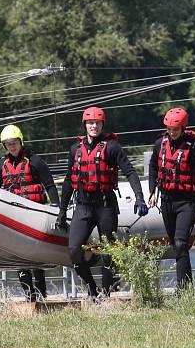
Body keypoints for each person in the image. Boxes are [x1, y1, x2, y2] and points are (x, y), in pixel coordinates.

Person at [58, 107, 149, 298]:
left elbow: (130, 172)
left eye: (97, 123)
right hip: (82, 206)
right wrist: (61, 211)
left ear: (102, 125)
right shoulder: (75, 149)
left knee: (109, 251)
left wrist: (139, 198)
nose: (94, 126)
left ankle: (106, 294)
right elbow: (68, 180)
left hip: (105, 205)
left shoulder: (112, 147)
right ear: (85, 125)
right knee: (74, 250)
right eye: (90, 123)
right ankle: (92, 288)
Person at [148, 107, 195, 289]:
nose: (172, 133)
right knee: (176, 246)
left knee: (181, 242)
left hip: (188, 202)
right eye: (169, 129)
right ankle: (187, 287)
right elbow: (153, 166)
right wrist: (152, 191)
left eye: (175, 129)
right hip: (167, 200)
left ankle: (183, 289)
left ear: (183, 127)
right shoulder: (160, 143)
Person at [0, 124, 60, 302]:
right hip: (14, 217)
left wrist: (56, 208)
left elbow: (50, 186)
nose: (12, 146)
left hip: (35, 214)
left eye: (14, 142)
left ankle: (42, 296)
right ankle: (30, 297)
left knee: (36, 258)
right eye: (8, 143)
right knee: (19, 259)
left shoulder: (35, 161)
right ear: (4, 146)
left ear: (21, 141)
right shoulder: (1, 165)